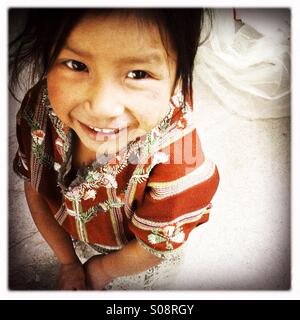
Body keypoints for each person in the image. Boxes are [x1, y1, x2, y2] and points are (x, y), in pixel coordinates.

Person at [9, 8, 219, 290]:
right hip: (82, 237)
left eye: (138, 73)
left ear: (179, 80)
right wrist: (69, 262)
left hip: (140, 257)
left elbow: (153, 247)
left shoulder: (180, 165)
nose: (102, 108)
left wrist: (101, 270)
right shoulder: (39, 114)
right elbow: (36, 188)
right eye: (76, 65)